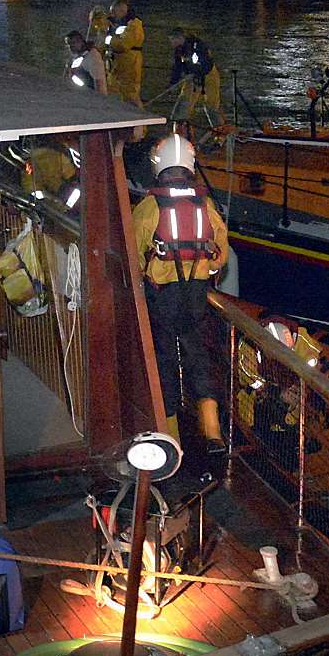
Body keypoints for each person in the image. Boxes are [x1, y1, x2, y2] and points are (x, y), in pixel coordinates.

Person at [133, 134, 229, 463]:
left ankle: (171, 440)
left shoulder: (149, 207)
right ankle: (213, 434)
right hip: (197, 296)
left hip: (162, 298)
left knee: (164, 364)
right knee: (199, 359)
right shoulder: (206, 205)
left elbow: (133, 253)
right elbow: (220, 255)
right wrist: (203, 266)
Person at [235, 317, 324, 431]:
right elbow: (248, 375)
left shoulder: (302, 341)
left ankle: (292, 429)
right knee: (255, 412)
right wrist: (275, 391)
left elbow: (314, 367)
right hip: (265, 391)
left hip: (294, 386)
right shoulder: (249, 344)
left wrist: (298, 388)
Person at [164, 28, 223, 126]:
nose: (172, 43)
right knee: (183, 103)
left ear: (179, 38)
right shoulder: (179, 51)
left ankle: (220, 131)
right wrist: (172, 84)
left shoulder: (197, 45)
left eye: (172, 40)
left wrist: (195, 72)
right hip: (192, 79)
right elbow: (177, 69)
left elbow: (206, 63)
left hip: (208, 76)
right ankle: (180, 128)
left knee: (211, 107)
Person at [103, 0, 145, 106]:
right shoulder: (117, 23)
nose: (112, 14)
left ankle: (139, 121)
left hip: (130, 63)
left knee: (130, 93)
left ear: (122, 10)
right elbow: (100, 26)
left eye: (114, 11)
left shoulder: (134, 24)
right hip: (117, 63)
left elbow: (124, 44)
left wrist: (109, 40)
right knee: (113, 89)